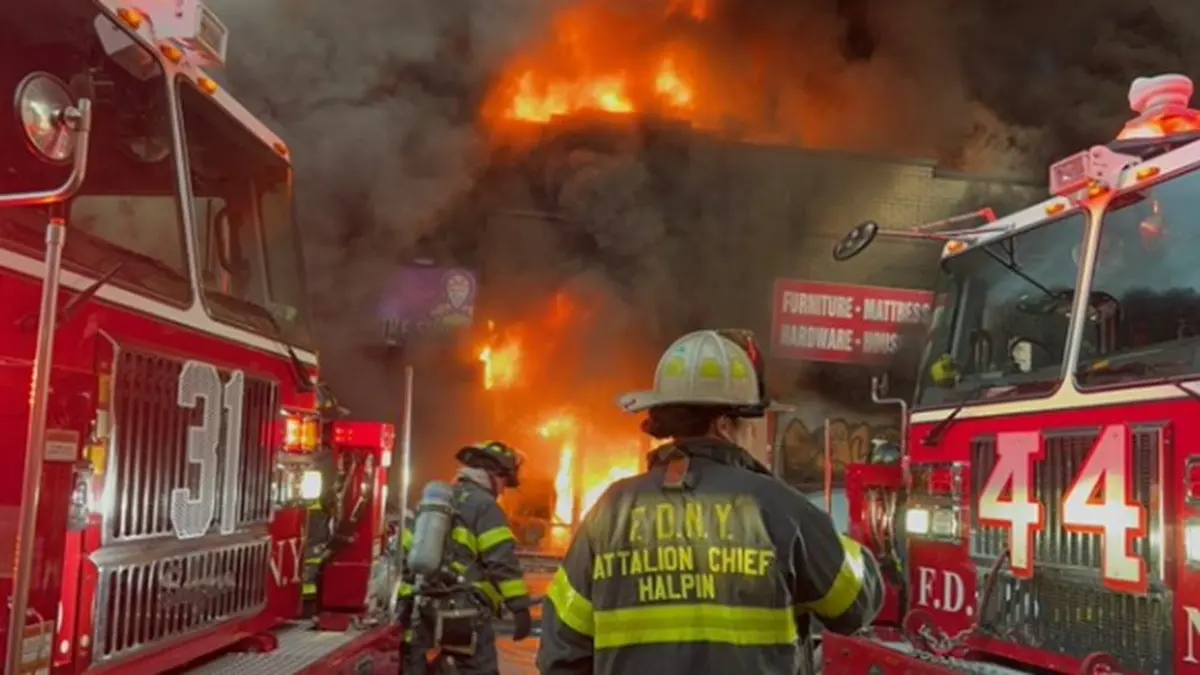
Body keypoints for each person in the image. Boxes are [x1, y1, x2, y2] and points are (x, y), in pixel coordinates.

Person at [536, 329, 884, 675]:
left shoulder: (611, 511)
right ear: (724, 425)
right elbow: (855, 604)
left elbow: (562, 650)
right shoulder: (779, 507)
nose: (755, 433)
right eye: (752, 422)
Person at [398, 440, 534, 675]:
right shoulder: (485, 506)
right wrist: (520, 607)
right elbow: (501, 561)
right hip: (463, 615)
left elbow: (405, 556)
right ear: (493, 474)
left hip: (423, 612)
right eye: (504, 481)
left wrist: (405, 606)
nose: (503, 490)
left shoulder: (434, 505)